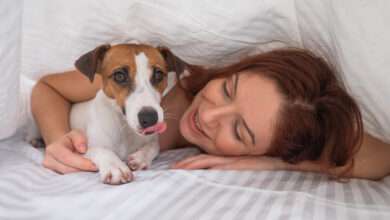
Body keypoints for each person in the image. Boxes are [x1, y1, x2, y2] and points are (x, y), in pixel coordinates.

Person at [31, 48, 390, 180]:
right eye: (228, 89)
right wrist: (57, 139)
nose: (211, 114)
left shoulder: (269, 149)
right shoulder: (165, 82)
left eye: (240, 131)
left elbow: (381, 157)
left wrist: (270, 164)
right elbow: (48, 88)